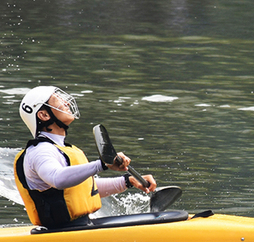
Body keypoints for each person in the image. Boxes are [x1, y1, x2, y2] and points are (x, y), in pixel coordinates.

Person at [15, 86, 156, 230]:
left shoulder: (60, 148)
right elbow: (57, 179)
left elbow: (84, 189)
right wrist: (102, 164)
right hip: (65, 231)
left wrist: (128, 181)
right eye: (57, 100)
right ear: (44, 115)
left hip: (78, 227)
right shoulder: (40, 151)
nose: (66, 103)